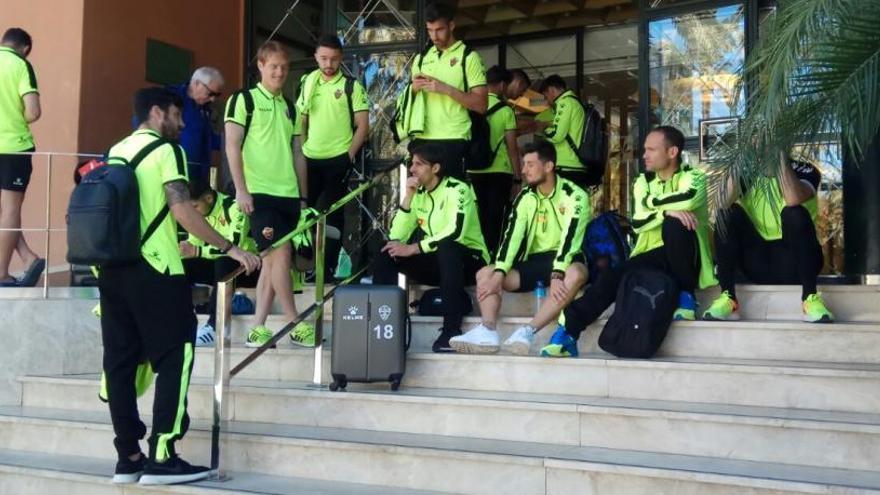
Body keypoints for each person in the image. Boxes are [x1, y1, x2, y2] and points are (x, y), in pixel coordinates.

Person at [100, 87, 259, 485]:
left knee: (120, 363)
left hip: (113, 271)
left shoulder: (115, 151)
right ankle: (163, 455)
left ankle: (128, 457)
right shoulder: (166, 152)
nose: (184, 123)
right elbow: (181, 210)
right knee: (176, 356)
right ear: (156, 113)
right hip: (157, 269)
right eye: (177, 114)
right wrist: (229, 247)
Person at [544, 126, 716, 358]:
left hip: (687, 256)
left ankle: (687, 295)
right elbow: (637, 221)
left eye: (651, 149)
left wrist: (655, 207)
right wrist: (666, 212)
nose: (644, 154)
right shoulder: (642, 181)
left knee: (676, 226)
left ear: (672, 151)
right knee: (612, 278)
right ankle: (568, 333)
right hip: (649, 256)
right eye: (645, 149)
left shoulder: (693, 177)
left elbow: (686, 198)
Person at [451, 140, 590, 355]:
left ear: (548, 166)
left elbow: (571, 239)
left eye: (530, 164)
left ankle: (527, 331)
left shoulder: (576, 195)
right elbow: (511, 238)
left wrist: (557, 272)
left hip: (566, 259)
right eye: (524, 164)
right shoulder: (525, 197)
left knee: (577, 273)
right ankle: (487, 330)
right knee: (485, 274)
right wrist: (499, 272)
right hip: (535, 262)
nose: (523, 170)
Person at [225, 41, 315, 348]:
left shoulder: (291, 107)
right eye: (273, 66)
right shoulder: (243, 100)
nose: (279, 72)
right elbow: (232, 145)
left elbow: (298, 153)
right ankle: (296, 321)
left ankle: (258, 328)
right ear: (261, 65)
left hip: (288, 196)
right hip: (259, 193)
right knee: (281, 254)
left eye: (284, 67)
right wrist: (240, 189)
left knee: (276, 262)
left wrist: (303, 199)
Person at [372, 143, 489, 352]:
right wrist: (408, 197)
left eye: (419, 164)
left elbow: (455, 232)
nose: (412, 169)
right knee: (386, 249)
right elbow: (397, 236)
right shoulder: (419, 194)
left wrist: (413, 248)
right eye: (411, 163)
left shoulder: (458, 189)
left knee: (447, 247)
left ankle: (451, 331)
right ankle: (384, 327)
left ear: (435, 168)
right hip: (438, 261)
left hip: (471, 262)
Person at [704, 152, 833, 322]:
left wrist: (778, 153)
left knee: (793, 212)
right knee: (726, 214)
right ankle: (729, 297)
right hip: (758, 261)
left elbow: (793, 198)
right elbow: (721, 203)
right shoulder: (747, 171)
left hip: (796, 263)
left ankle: (810, 298)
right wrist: (743, 155)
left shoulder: (806, 169)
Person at [297, 34, 369, 280]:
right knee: (304, 212)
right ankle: (305, 266)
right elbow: (301, 118)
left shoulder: (352, 86)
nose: (329, 64)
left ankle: (326, 269)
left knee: (332, 215)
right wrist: (302, 146)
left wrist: (348, 156)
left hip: (338, 158)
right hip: (310, 158)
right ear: (316, 57)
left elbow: (363, 126)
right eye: (324, 58)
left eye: (334, 59)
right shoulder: (308, 81)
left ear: (341, 59)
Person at [410, 2, 488, 181]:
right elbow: (409, 103)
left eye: (439, 29)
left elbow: (482, 105)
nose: (434, 36)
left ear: (452, 25)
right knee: (422, 201)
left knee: (451, 201)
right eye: (430, 30)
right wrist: (412, 90)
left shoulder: (468, 57)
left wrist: (446, 89)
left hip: (454, 139)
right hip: (422, 138)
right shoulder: (420, 59)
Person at [179, 179, 260, 346]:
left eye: (194, 207)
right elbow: (196, 246)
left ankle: (215, 327)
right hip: (221, 266)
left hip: (251, 268)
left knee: (225, 261)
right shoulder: (197, 216)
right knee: (179, 266)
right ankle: (181, 321)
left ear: (208, 198)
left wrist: (197, 251)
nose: (192, 213)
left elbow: (235, 250)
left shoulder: (234, 207)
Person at [0, 27, 44, 287]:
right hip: (13, 147)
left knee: (3, 211)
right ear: (25, 49)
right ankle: (2, 274)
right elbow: (33, 112)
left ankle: (28, 257)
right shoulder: (20, 65)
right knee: (10, 210)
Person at [468, 65, 521, 253]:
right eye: (505, 85)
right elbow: (512, 148)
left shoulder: (471, 106)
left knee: (478, 217)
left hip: (473, 170)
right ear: (500, 85)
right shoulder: (506, 111)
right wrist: (517, 178)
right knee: (496, 219)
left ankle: (478, 256)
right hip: (499, 172)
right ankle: (492, 256)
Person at [536, 75, 590, 187]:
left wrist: (543, 129)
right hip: (576, 165)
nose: (547, 101)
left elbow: (557, 135)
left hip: (567, 165)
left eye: (546, 96)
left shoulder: (565, 103)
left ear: (551, 89)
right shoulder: (575, 102)